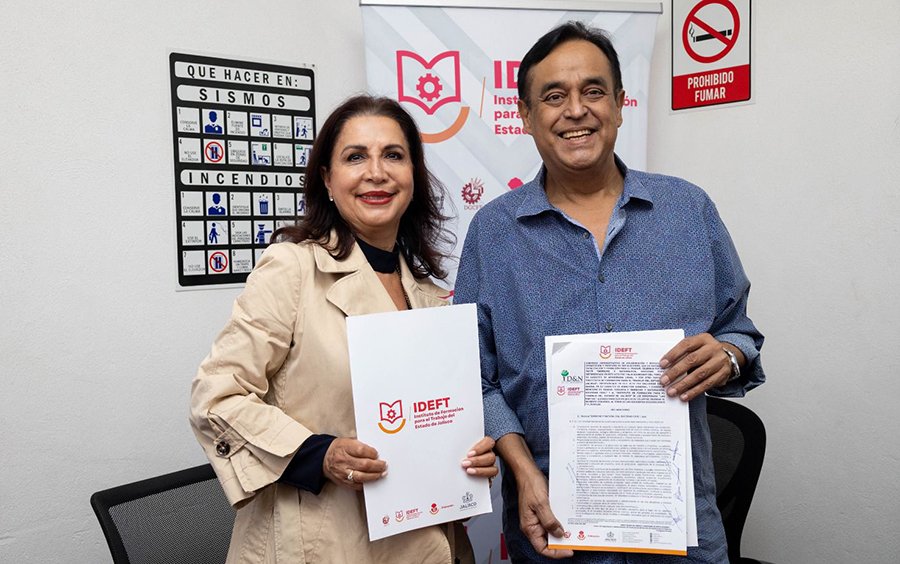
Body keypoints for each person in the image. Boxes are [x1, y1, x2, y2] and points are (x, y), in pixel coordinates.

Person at [453, 22, 765, 563]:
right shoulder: (494, 234)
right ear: (525, 116)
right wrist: (522, 470)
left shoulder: (688, 211)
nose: (576, 111)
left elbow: (740, 330)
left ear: (620, 104)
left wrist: (729, 355)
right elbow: (473, 377)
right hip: (553, 528)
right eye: (554, 97)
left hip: (682, 534)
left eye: (593, 91)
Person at [190, 95, 498, 564]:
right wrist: (319, 454)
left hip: (425, 542)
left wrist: (468, 461)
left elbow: (430, 427)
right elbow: (215, 398)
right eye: (355, 157)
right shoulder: (292, 268)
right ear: (327, 180)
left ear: (413, 176)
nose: (376, 172)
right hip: (323, 543)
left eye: (393, 155)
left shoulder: (432, 297)